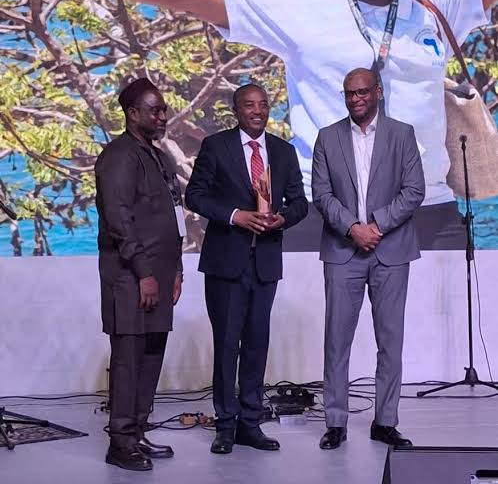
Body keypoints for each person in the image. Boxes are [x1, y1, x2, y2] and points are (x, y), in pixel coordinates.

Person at [1, 0, 495, 250]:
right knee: (321, 355)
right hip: (327, 215)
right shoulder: (300, 9)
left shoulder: (436, 5)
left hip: (427, 212)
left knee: (437, 355)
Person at [185, 83, 307, 454]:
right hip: (226, 263)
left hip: (265, 262)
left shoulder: (284, 152)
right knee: (227, 345)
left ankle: (250, 424)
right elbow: (195, 195)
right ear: (236, 110)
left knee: (256, 345)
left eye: (263, 104)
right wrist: (236, 215)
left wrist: (282, 218)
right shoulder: (216, 146)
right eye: (249, 105)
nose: (258, 111)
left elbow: (300, 203)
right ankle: (225, 425)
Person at [312, 67, 424, 450]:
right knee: (336, 341)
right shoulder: (327, 137)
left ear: (377, 92)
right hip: (343, 251)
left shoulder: (402, 134)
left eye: (362, 92)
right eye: (349, 94)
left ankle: (385, 422)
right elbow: (322, 194)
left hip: (391, 250)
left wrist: (376, 225)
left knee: (390, 342)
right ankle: (335, 423)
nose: (356, 99)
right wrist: (352, 229)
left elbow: (414, 190)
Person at [95, 78, 184, 471]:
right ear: (132, 114)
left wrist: (176, 270)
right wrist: (145, 273)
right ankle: (120, 441)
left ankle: (138, 432)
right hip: (131, 277)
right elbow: (119, 221)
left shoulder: (159, 157)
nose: (162, 116)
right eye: (154, 110)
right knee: (129, 359)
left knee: (151, 356)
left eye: (163, 109)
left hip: (160, 277)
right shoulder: (118, 156)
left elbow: (174, 217)